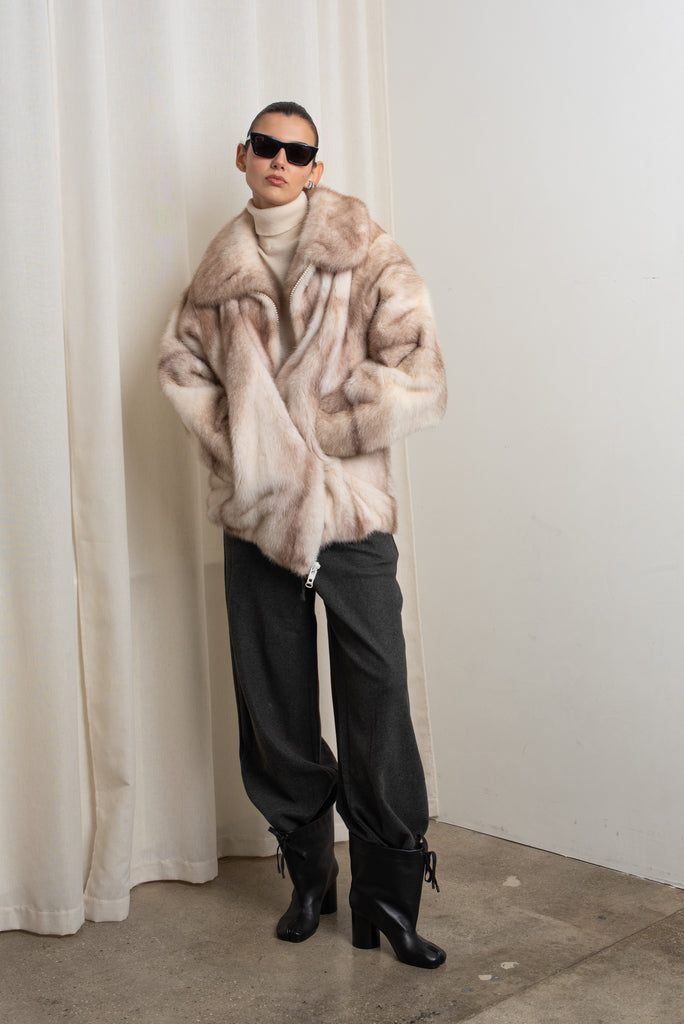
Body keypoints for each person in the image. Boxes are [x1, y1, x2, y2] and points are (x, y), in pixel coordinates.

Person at [158, 101, 447, 969]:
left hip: (350, 513)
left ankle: (388, 899)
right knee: (274, 707)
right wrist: (249, 456)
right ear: (242, 156)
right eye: (266, 146)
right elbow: (181, 369)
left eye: (297, 151)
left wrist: (328, 429)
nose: (280, 160)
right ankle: (311, 877)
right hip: (258, 519)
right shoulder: (218, 272)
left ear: (316, 168)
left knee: (377, 700)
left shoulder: (365, 249)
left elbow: (419, 364)